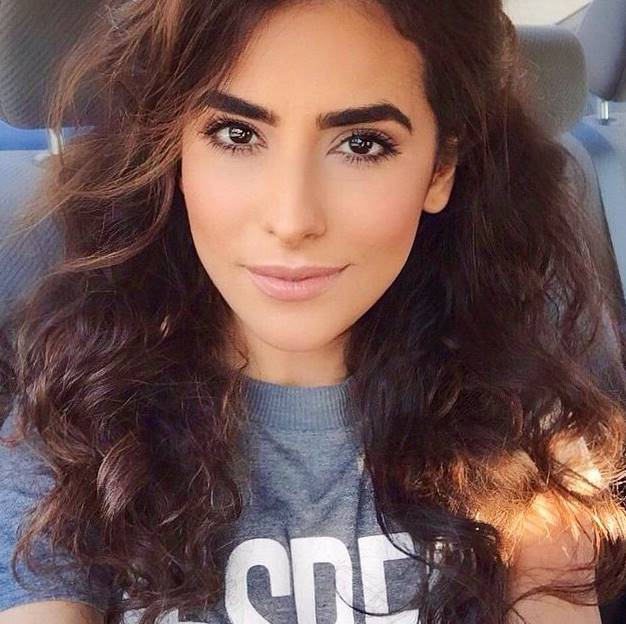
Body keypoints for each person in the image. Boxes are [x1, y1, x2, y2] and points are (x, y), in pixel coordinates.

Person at [0, 0, 625, 623]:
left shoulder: (526, 422)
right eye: (237, 134)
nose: (293, 219)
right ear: (174, 153)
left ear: (440, 169)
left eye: (361, 143)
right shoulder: (75, 421)